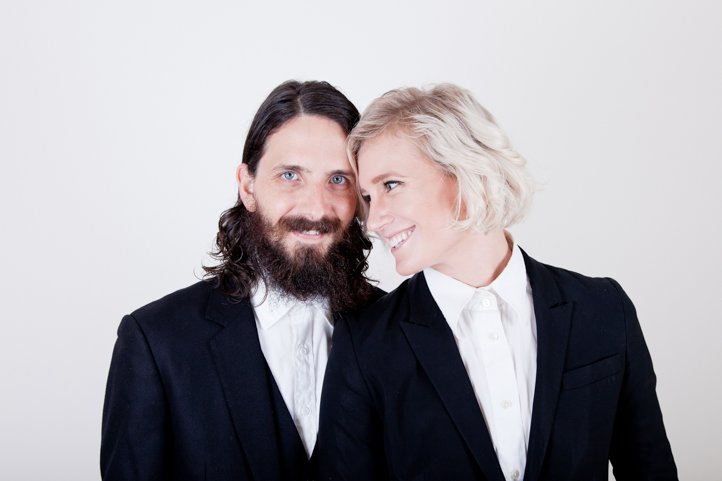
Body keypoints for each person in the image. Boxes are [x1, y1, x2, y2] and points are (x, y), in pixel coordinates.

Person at [318, 84, 677, 481]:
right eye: (368, 197)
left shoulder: (604, 309)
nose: (374, 220)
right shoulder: (365, 343)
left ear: (462, 172)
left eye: (390, 185)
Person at [101, 80, 381, 481]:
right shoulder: (155, 342)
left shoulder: (399, 329)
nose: (316, 207)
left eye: (339, 180)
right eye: (290, 175)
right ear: (248, 187)